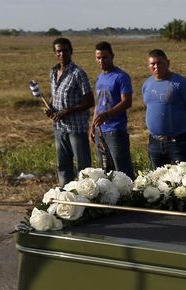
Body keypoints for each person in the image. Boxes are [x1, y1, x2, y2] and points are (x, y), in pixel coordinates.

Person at [141, 49, 186, 168]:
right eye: (152, 64)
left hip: (177, 142)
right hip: (155, 142)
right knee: (158, 181)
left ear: (167, 63)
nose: (156, 66)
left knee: (183, 179)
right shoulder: (147, 84)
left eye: (160, 63)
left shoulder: (181, 83)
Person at [46, 37, 94, 186]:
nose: (62, 54)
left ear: (71, 52)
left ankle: (86, 198)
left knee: (83, 167)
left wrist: (66, 111)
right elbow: (55, 95)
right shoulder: (53, 72)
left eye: (65, 51)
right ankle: (66, 197)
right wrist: (51, 108)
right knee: (63, 166)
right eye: (59, 51)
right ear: (55, 53)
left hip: (76, 128)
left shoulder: (78, 73)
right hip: (60, 128)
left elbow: (89, 101)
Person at [89, 41, 134, 177]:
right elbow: (99, 103)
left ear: (112, 56)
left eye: (104, 57)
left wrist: (107, 115)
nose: (101, 60)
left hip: (115, 130)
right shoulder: (99, 78)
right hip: (100, 131)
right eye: (98, 57)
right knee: (105, 170)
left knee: (122, 170)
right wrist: (92, 126)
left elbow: (127, 102)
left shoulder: (121, 77)